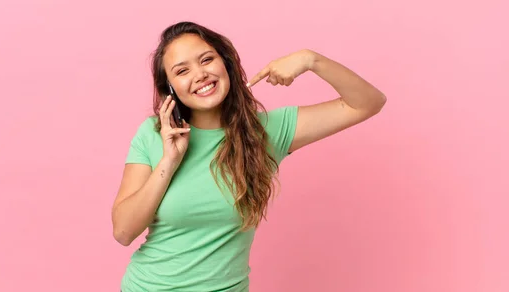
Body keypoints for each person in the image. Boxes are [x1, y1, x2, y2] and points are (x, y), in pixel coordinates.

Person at [111, 21, 387, 291]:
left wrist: (311, 59)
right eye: (182, 71)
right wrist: (169, 161)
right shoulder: (153, 134)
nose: (200, 75)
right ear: (170, 88)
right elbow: (124, 232)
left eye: (206, 59)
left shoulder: (266, 131)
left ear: (226, 64)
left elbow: (367, 103)